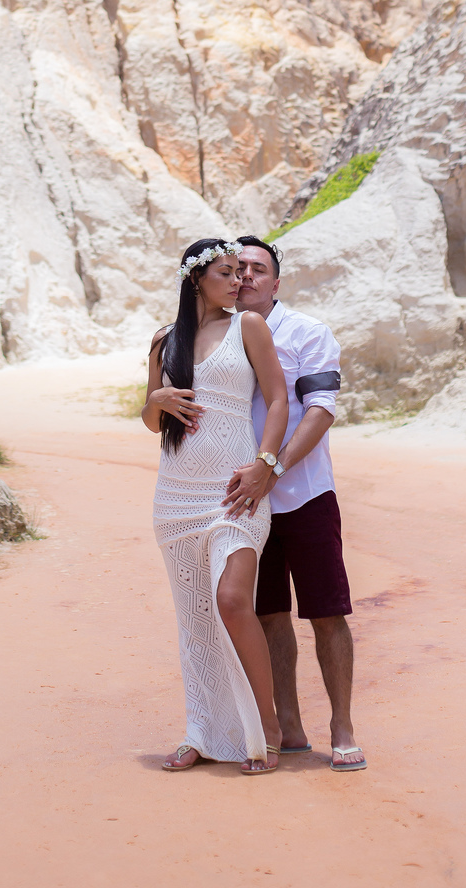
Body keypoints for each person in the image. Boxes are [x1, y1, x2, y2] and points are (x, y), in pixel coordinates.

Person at [143, 237, 290, 775]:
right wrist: (155, 400)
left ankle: (268, 727)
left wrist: (265, 463)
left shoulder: (248, 327)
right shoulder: (165, 341)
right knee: (195, 619)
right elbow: (153, 421)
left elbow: (278, 398)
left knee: (231, 601)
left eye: (240, 272)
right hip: (176, 495)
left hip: (234, 492)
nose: (238, 281)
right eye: (225, 273)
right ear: (196, 280)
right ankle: (201, 730)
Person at [223, 237, 367, 772]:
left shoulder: (307, 332)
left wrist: (274, 468)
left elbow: (320, 409)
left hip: (304, 494)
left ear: (276, 282)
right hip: (244, 503)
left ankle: (342, 727)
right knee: (268, 616)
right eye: (237, 268)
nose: (246, 276)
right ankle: (288, 725)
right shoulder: (220, 335)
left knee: (327, 613)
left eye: (258, 269)